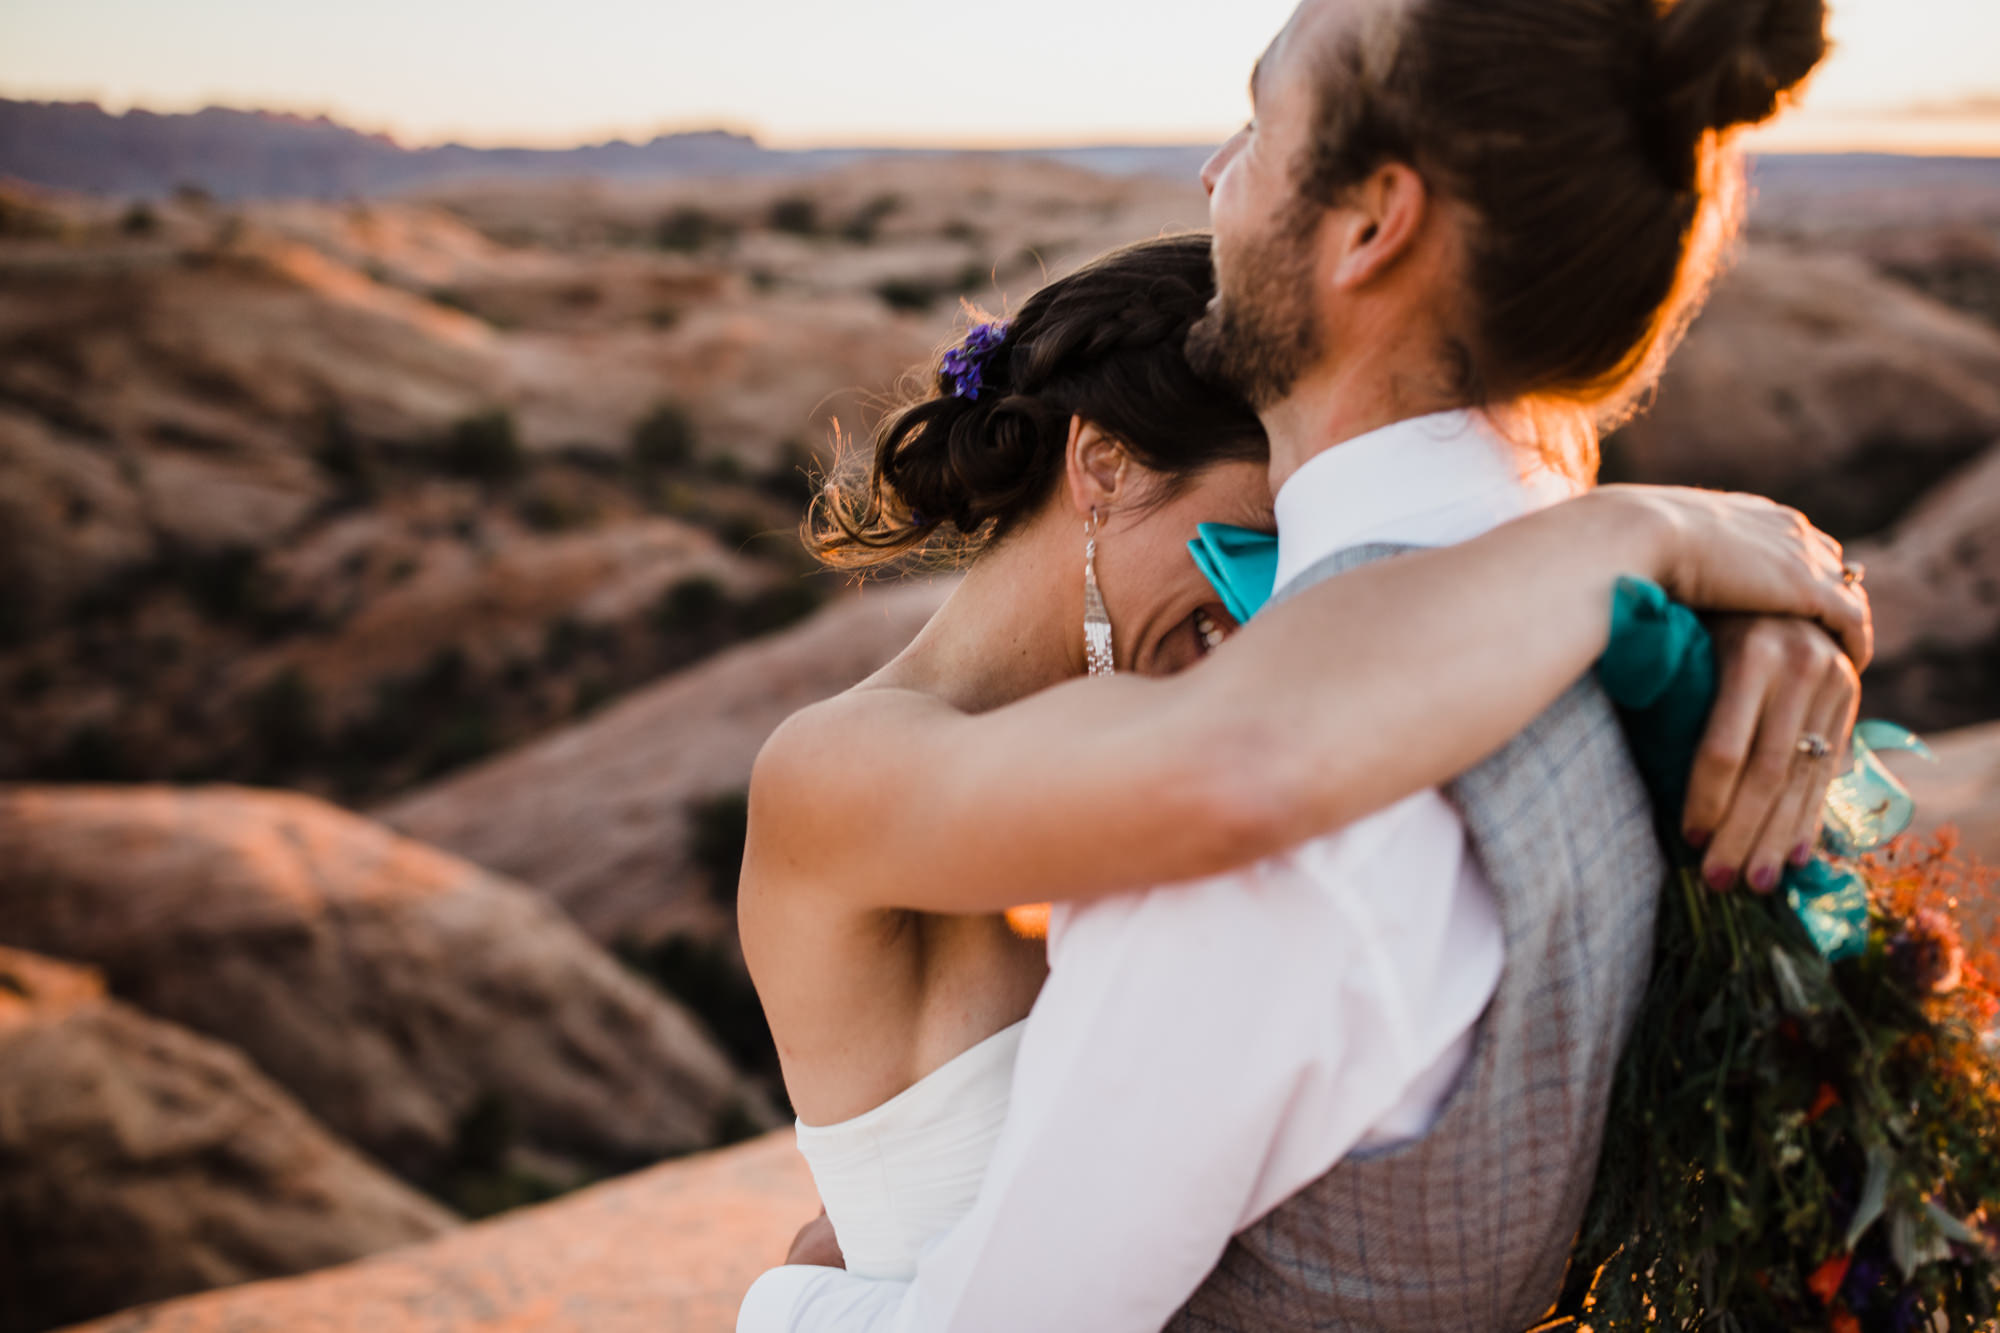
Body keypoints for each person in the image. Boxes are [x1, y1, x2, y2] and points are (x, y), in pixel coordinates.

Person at [742, 196, 1856, 1333]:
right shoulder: (831, 770)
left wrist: (1713, 620)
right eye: (1253, 537)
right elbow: (1249, 742)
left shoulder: (1147, 739)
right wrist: (1627, 538)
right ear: (1107, 464)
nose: (1276, 601)